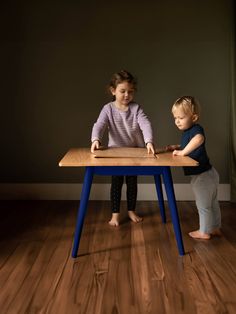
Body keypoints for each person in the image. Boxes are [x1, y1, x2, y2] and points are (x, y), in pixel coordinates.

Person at [90, 70, 155, 226]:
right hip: (115, 153)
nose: (127, 95)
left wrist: (149, 141)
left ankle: (131, 210)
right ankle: (115, 214)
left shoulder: (136, 108)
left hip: (134, 152)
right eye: (122, 91)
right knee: (116, 183)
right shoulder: (108, 109)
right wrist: (95, 139)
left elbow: (145, 124)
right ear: (113, 91)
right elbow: (99, 124)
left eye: (130, 92)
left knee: (132, 183)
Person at [170, 96, 221, 239]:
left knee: (203, 205)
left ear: (194, 117)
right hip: (209, 173)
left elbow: (199, 140)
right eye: (175, 118)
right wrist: (177, 147)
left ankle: (204, 231)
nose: (177, 121)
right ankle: (215, 227)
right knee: (213, 203)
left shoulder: (196, 129)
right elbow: (190, 144)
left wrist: (182, 152)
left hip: (203, 176)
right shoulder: (188, 132)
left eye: (181, 117)